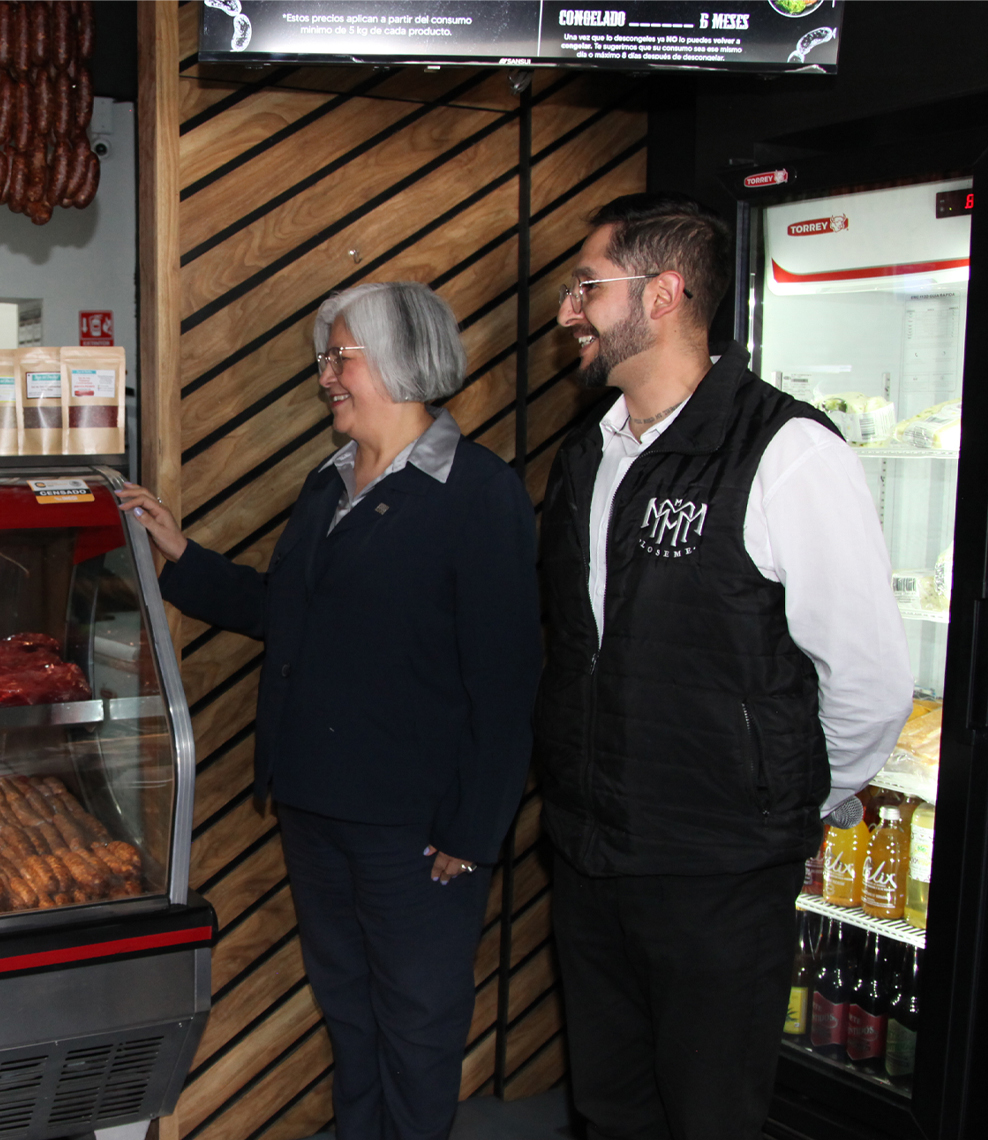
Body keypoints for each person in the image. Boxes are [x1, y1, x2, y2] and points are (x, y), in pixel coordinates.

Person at [116, 281, 539, 1140]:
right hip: (314, 804)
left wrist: (472, 831)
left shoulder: (476, 493)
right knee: (349, 1013)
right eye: (327, 359)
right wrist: (180, 554)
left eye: (338, 357)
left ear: (395, 362)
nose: (325, 377)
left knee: (415, 1028)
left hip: (415, 828)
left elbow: (508, 678)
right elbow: (286, 611)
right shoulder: (329, 482)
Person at [535, 191, 910, 1139]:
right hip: (591, 856)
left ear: (661, 295)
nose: (565, 310)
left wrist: (794, 799)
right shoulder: (588, 456)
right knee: (609, 1106)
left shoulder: (785, 452)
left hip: (716, 872)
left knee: (708, 1116)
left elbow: (865, 676)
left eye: (587, 286)